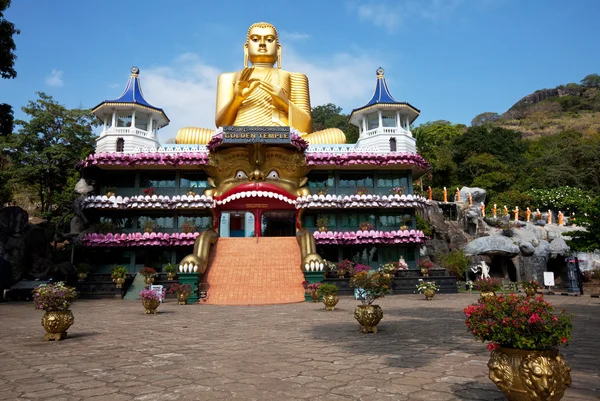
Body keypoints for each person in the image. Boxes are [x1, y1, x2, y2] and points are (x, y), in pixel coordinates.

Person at [176, 22, 345, 145]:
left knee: (337, 136)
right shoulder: (228, 77)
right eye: (256, 39)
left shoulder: (295, 77)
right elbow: (222, 125)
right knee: (184, 135)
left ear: (278, 49)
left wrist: (284, 102)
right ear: (246, 48)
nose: (262, 44)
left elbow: (305, 127)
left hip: (282, 135)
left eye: (269, 39)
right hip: (237, 135)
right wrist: (236, 99)